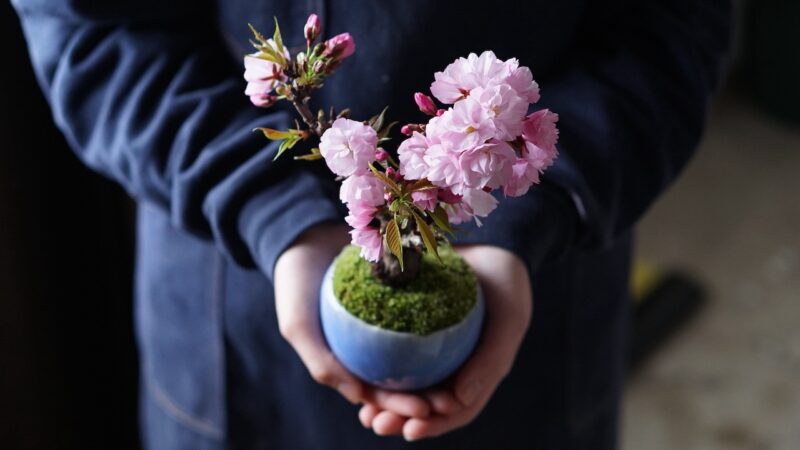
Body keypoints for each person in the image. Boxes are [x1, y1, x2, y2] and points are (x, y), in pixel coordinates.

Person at [11, 0, 731, 448]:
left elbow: (674, 23)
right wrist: (274, 214)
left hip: (542, 301)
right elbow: (91, 29)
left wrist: (528, 214)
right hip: (230, 316)